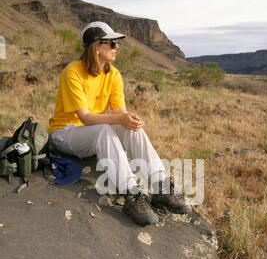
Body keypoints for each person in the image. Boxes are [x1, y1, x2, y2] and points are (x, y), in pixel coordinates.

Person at [48, 21, 191, 226]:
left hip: (91, 132)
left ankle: (160, 187)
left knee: (131, 127)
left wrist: (128, 120)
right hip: (65, 133)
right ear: (97, 46)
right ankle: (131, 194)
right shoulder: (73, 72)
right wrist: (120, 119)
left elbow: (119, 113)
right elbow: (85, 117)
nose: (118, 47)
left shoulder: (113, 74)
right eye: (113, 42)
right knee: (105, 130)